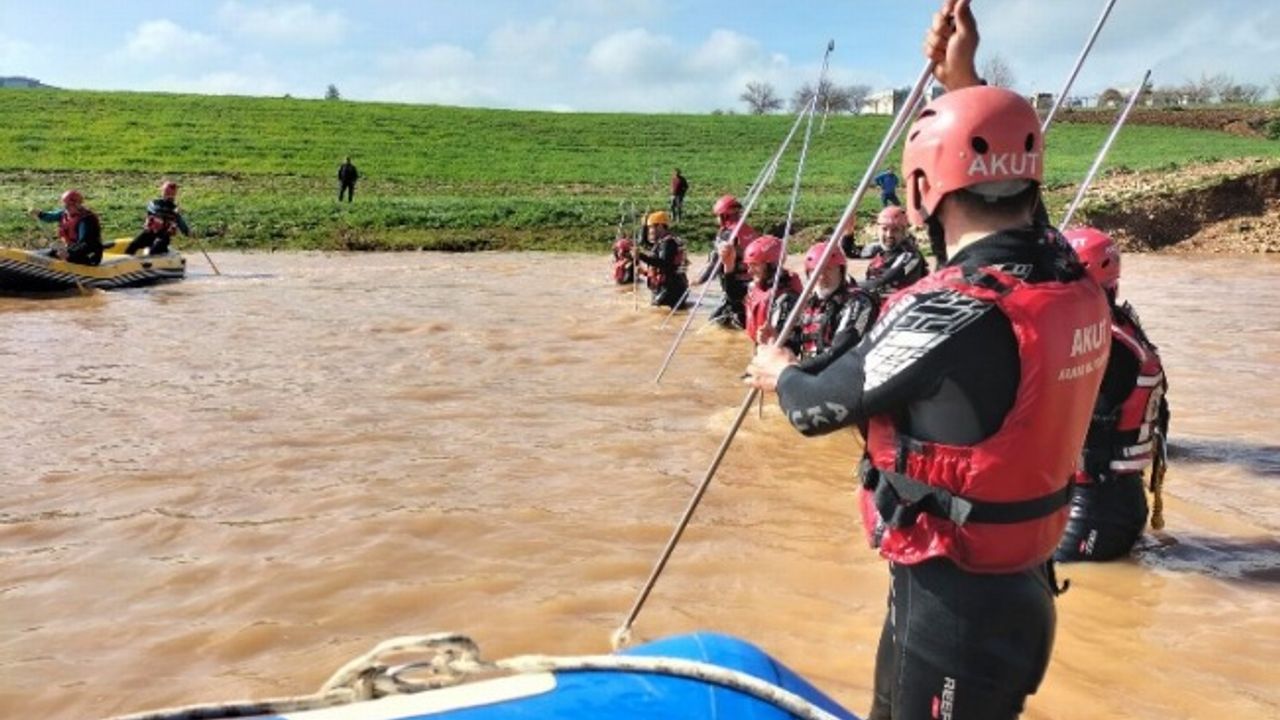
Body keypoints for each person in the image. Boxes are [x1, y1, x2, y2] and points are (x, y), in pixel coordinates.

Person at [745, 2, 1111, 716]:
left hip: (952, 612)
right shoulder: (1072, 278)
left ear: (917, 189)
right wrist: (964, 84)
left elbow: (814, 410)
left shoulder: (947, 309)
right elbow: (1025, 219)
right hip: (1022, 588)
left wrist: (778, 369)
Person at [1056, 227, 1170, 562]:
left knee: (1062, 585)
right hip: (1113, 495)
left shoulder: (1103, 344)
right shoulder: (1120, 326)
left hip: (1095, 504)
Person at [794, 242, 879, 361]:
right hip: (809, 366)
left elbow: (840, 349)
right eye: (815, 271)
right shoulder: (808, 303)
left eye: (828, 269)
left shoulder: (858, 301)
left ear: (840, 271)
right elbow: (792, 340)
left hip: (843, 367)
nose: (822, 276)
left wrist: (801, 369)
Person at [697, 194, 758, 329]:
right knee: (723, 320)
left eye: (718, 216)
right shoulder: (750, 231)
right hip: (751, 285)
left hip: (733, 285)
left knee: (718, 324)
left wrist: (700, 280)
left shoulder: (727, 234)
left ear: (724, 216)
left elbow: (716, 262)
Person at [741, 235, 802, 349]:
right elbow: (735, 301)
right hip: (761, 349)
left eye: (755, 265)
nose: (749, 271)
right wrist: (728, 269)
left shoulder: (787, 298)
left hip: (778, 353)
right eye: (748, 265)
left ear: (772, 265)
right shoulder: (755, 288)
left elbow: (791, 341)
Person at [863, 205, 927, 296]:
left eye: (895, 230)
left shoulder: (911, 256)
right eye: (884, 229)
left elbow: (883, 281)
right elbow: (851, 252)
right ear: (878, 230)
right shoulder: (879, 249)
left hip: (902, 302)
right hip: (878, 300)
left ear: (904, 232)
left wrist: (851, 287)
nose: (889, 235)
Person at [29, 189, 103, 266]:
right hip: (72, 249)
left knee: (69, 257)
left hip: (90, 254)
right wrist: (40, 214)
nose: (65, 208)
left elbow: (85, 243)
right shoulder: (65, 213)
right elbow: (50, 217)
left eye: (68, 206)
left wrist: (69, 253)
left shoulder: (87, 220)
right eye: (65, 205)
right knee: (50, 254)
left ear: (77, 205)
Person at [635, 211, 688, 308]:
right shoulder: (663, 241)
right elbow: (645, 243)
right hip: (670, 287)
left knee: (659, 312)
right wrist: (645, 272)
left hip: (671, 289)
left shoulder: (668, 243)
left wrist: (641, 256)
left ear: (659, 226)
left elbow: (664, 264)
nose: (650, 231)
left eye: (651, 227)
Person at [125, 181, 190, 255]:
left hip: (163, 237)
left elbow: (181, 224)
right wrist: (171, 211)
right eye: (167, 193)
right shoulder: (155, 203)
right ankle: (127, 258)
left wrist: (188, 232)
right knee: (132, 246)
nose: (170, 196)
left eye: (172, 194)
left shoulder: (174, 209)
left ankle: (159, 253)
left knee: (155, 248)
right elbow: (154, 210)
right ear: (163, 192)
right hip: (149, 233)